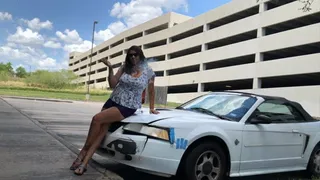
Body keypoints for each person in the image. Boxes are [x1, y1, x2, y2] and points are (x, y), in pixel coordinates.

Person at [70, 45, 160, 175]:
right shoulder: (124, 68)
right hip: (113, 100)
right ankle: (84, 164)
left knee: (96, 119)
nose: (133, 57)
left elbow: (151, 90)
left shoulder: (148, 71)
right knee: (100, 133)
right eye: (130, 55)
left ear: (141, 55)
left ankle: (83, 152)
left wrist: (152, 108)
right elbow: (113, 84)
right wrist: (110, 69)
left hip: (127, 106)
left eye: (136, 54)